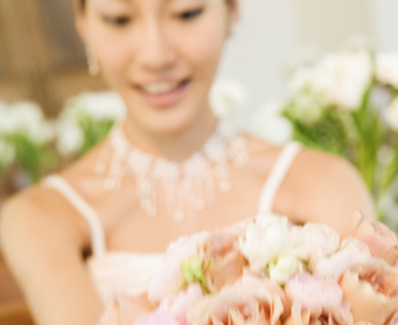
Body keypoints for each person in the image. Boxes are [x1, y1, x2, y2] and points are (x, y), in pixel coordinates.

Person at [0, 0, 374, 324]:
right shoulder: (38, 218)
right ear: (83, 24)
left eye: (186, 13)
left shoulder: (324, 183)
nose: (155, 56)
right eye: (119, 19)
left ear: (231, 10)